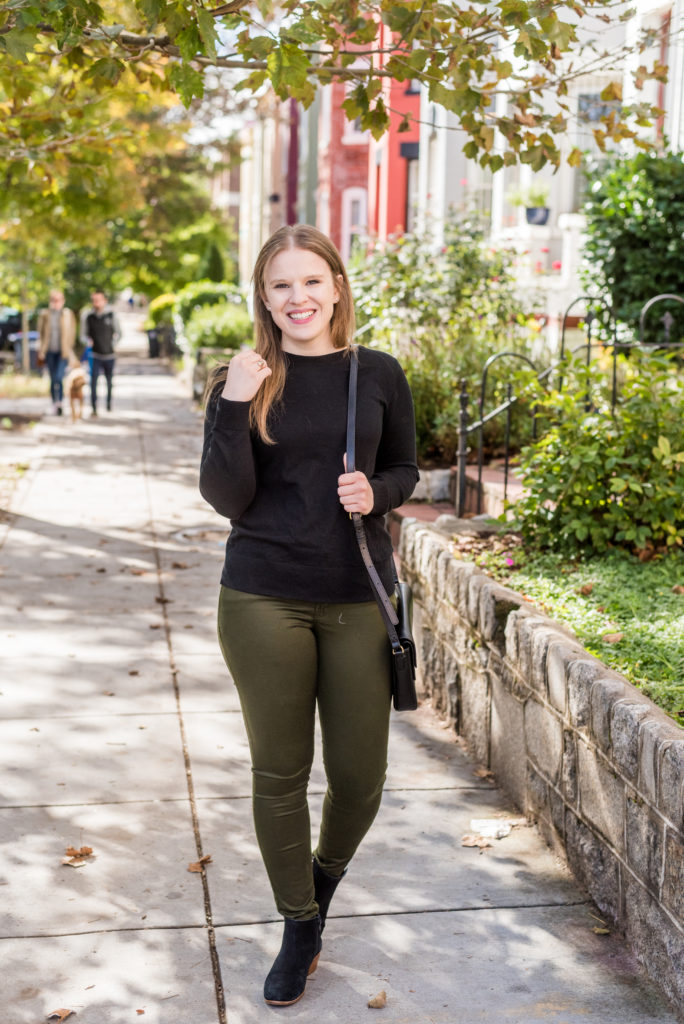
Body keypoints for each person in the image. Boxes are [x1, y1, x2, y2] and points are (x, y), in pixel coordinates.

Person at [199, 225, 418, 1007]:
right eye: (280, 285)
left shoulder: (379, 372)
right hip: (262, 595)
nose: (298, 299)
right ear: (263, 296)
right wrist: (232, 401)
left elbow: (405, 466)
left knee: (360, 778)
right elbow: (226, 496)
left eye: (311, 281)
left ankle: (319, 888)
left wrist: (380, 494)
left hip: (358, 596)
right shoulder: (245, 377)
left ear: (337, 286)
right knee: (280, 772)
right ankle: (298, 926)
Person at [37, 290, 77, 416]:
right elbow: (41, 333)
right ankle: (54, 402)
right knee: (52, 378)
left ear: (63, 301)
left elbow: (72, 332)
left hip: (63, 352)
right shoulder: (45, 314)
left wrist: (69, 348)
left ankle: (60, 402)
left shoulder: (67, 314)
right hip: (49, 351)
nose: (56, 303)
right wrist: (41, 351)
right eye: (54, 300)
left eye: (58, 300)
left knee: (59, 377)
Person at [83, 290, 122, 416]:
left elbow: (119, 333)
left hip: (109, 355)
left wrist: (113, 344)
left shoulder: (111, 315)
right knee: (93, 382)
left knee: (109, 381)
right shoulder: (89, 317)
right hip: (95, 355)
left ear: (105, 300)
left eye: (99, 300)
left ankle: (109, 404)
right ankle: (94, 407)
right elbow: (83, 335)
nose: (96, 303)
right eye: (94, 300)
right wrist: (88, 341)